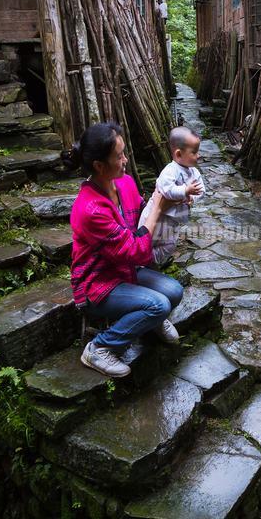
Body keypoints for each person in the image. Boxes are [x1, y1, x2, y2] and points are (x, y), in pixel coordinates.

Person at [65, 122, 184, 378]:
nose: (126, 160)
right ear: (99, 166)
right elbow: (139, 251)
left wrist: (172, 201)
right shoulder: (90, 210)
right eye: (119, 156)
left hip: (125, 270)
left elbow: (143, 216)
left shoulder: (126, 183)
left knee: (174, 291)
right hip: (97, 284)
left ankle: (147, 321)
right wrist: (158, 209)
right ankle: (100, 348)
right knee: (158, 305)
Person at [138, 126, 205, 266]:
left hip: (172, 222)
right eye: (194, 152)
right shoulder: (170, 171)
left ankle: (148, 261)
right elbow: (167, 190)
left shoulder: (194, 172)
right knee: (148, 241)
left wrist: (193, 198)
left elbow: (202, 190)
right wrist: (185, 190)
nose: (198, 155)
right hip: (154, 218)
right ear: (179, 154)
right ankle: (139, 263)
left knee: (169, 245)